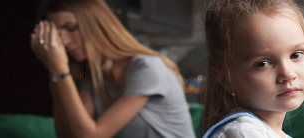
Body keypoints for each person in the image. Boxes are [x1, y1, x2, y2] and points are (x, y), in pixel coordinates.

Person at [29, 0, 194, 137]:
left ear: (98, 25)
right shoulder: (92, 73)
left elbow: (91, 136)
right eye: (57, 35)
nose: (64, 41)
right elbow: (68, 135)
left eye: (71, 28)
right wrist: (54, 70)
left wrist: (59, 70)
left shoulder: (148, 69)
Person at [201, 0, 304, 137]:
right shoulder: (244, 132)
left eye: (296, 55)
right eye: (262, 64)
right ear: (226, 79)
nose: (288, 74)